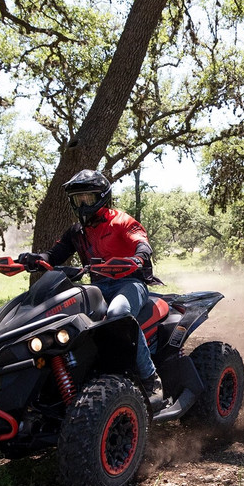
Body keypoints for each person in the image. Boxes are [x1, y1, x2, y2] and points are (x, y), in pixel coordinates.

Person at [18, 169, 163, 399]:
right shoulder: (77, 232)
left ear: (103, 197)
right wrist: (35, 258)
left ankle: (149, 377)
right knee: (62, 317)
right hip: (97, 287)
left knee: (118, 312)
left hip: (129, 283)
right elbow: (54, 255)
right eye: (78, 199)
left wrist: (139, 256)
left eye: (89, 198)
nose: (84, 204)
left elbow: (141, 242)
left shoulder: (121, 221)